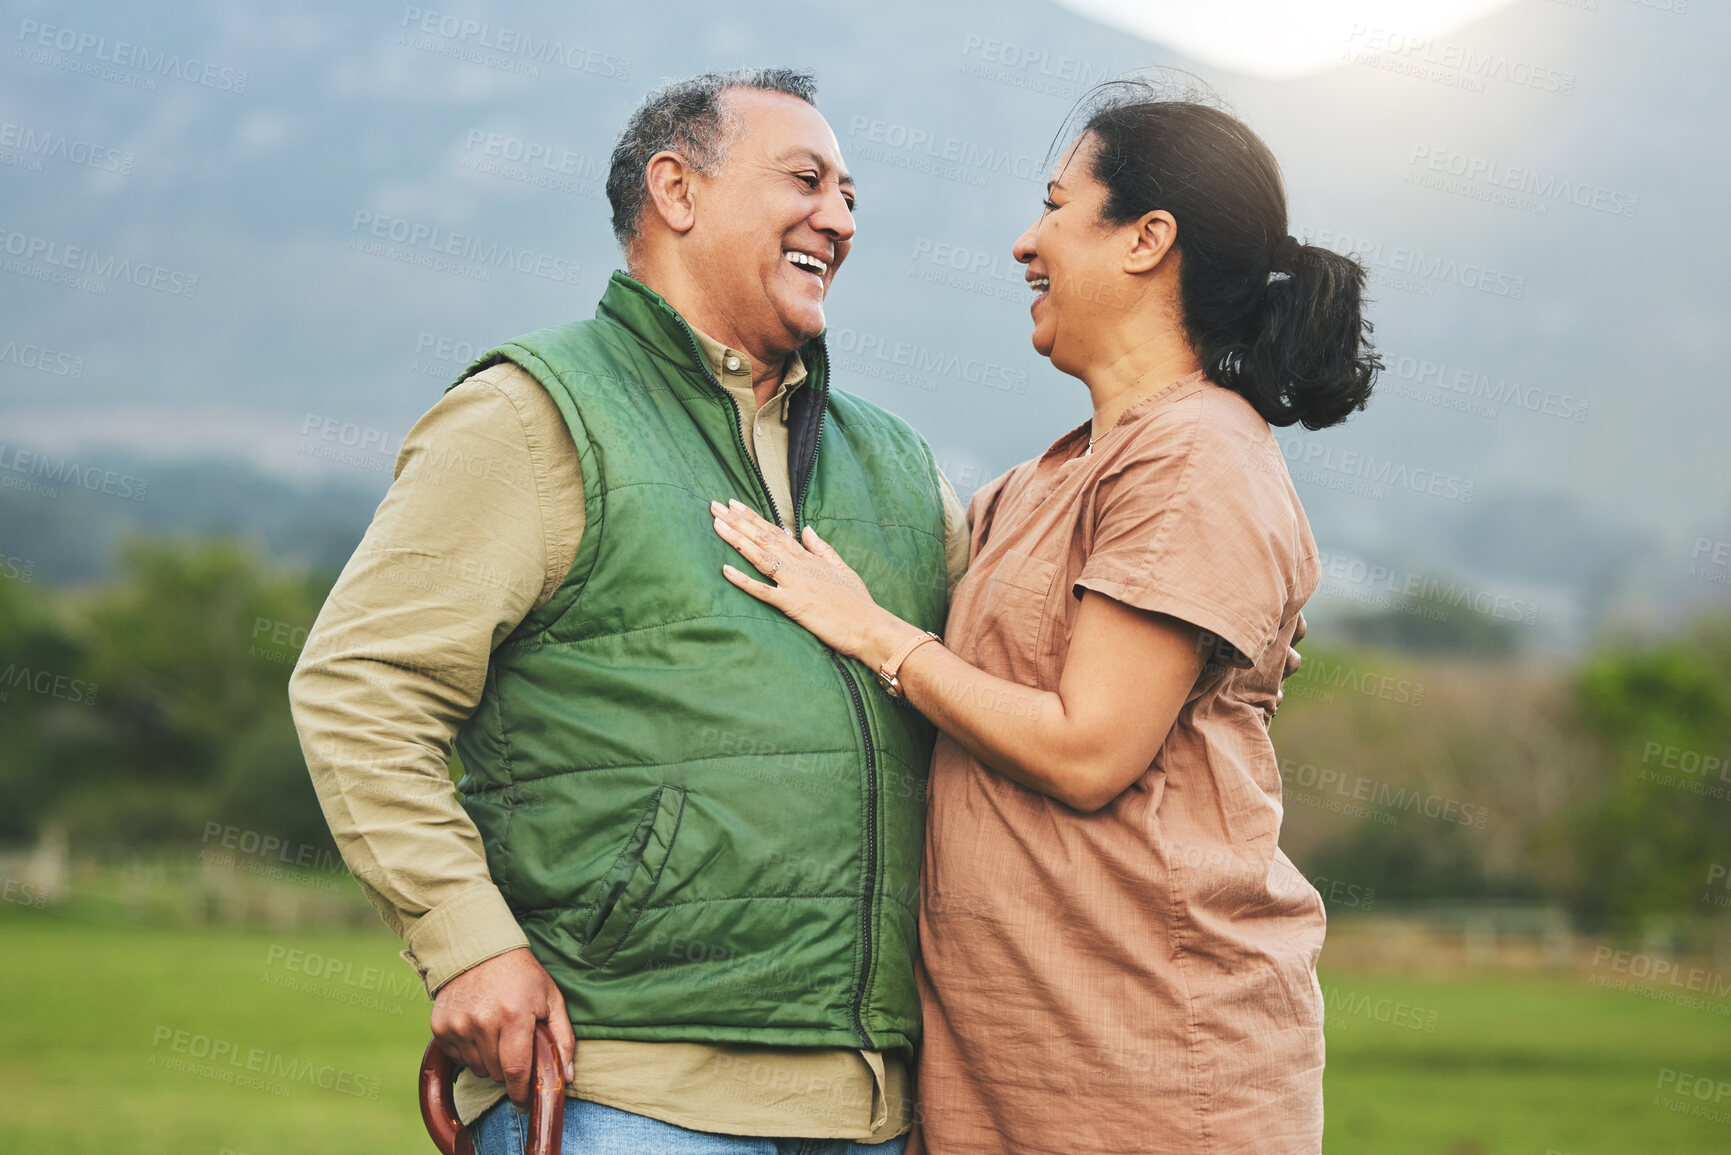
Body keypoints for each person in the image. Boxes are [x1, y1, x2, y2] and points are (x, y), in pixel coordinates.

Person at [289, 68, 973, 1154]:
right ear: (677, 189)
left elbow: (1012, 680)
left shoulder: (899, 466)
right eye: (806, 179)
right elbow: (360, 687)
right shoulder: (529, 415)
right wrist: (467, 945)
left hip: (883, 1111)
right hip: (627, 1096)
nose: (839, 218)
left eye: (851, 196)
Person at [707, 82, 1378, 1155]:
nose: (1028, 242)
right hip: (1008, 1075)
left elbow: (1089, 749)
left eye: (1059, 207)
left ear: (1147, 240)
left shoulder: (1197, 455)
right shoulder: (1040, 482)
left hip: (1152, 1069)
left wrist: (876, 634)